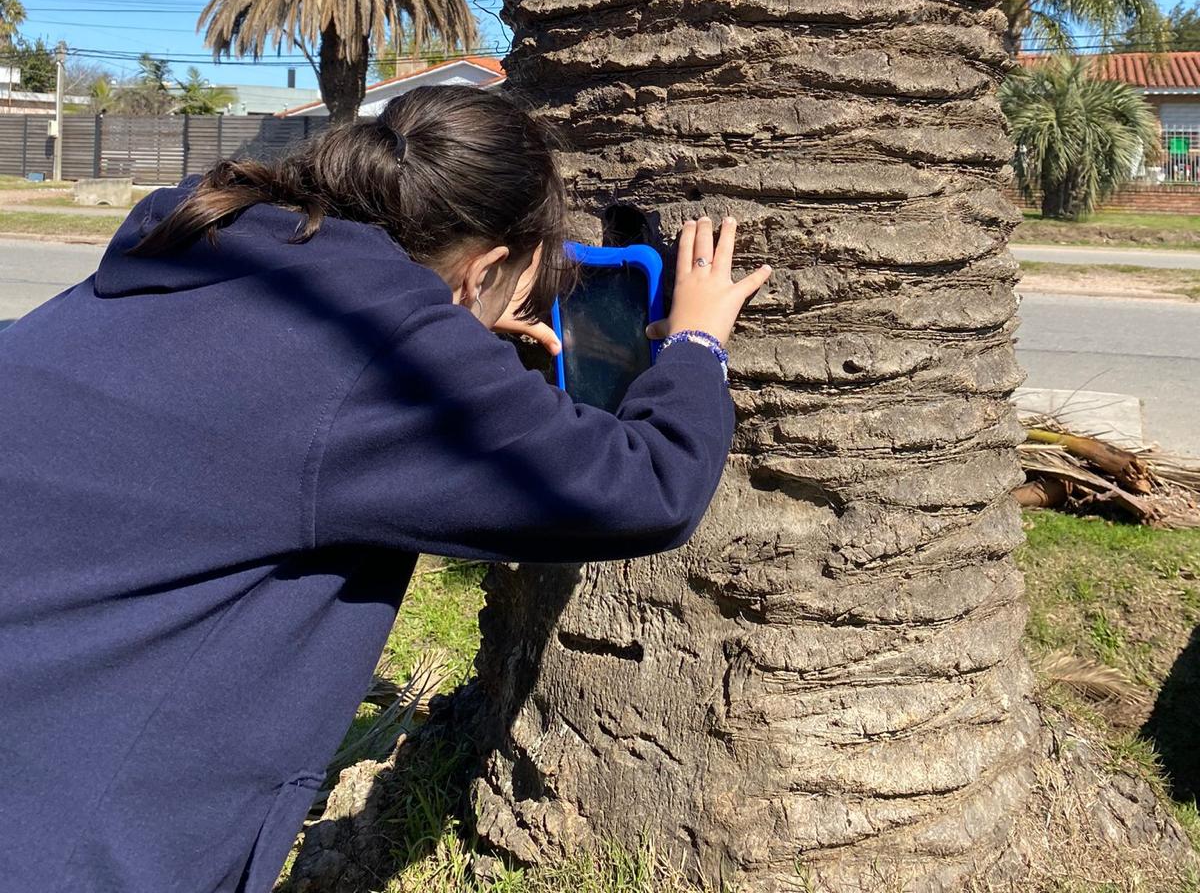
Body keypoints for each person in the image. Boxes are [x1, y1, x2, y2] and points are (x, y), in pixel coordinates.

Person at [0, 84, 770, 893]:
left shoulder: (178, 256)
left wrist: (459, 334)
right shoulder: (378, 362)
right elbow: (648, 485)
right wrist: (695, 344)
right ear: (486, 269)